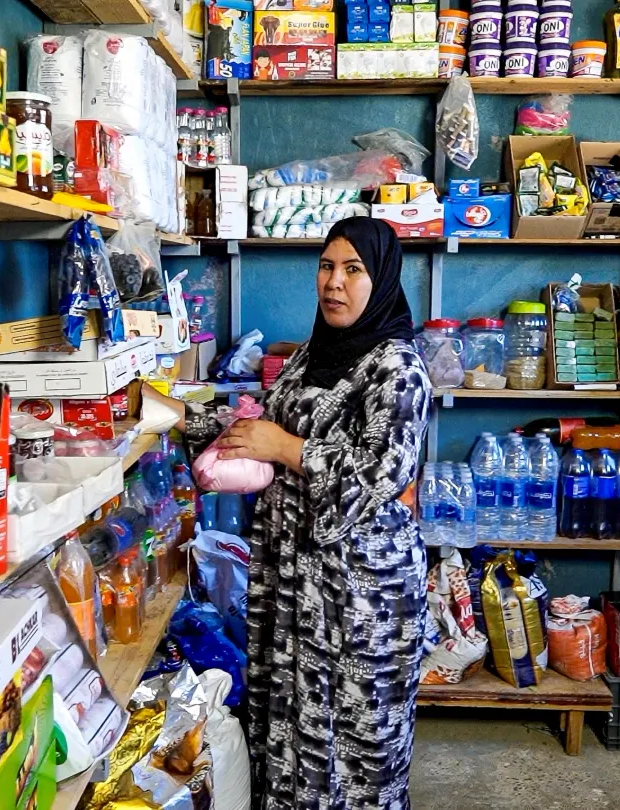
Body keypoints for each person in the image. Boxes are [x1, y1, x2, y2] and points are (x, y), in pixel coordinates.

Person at [149, 216, 432, 809]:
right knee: (293, 725)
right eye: (327, 267)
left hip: (359, 594)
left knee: (358, 740)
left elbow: (385, 471)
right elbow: (258, 431)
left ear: (380, 279)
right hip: (292, 578)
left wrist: (288, 449)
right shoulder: (309, 356)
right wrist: (174, 415)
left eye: (353, 270)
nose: (334, 283)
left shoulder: (398, 367)